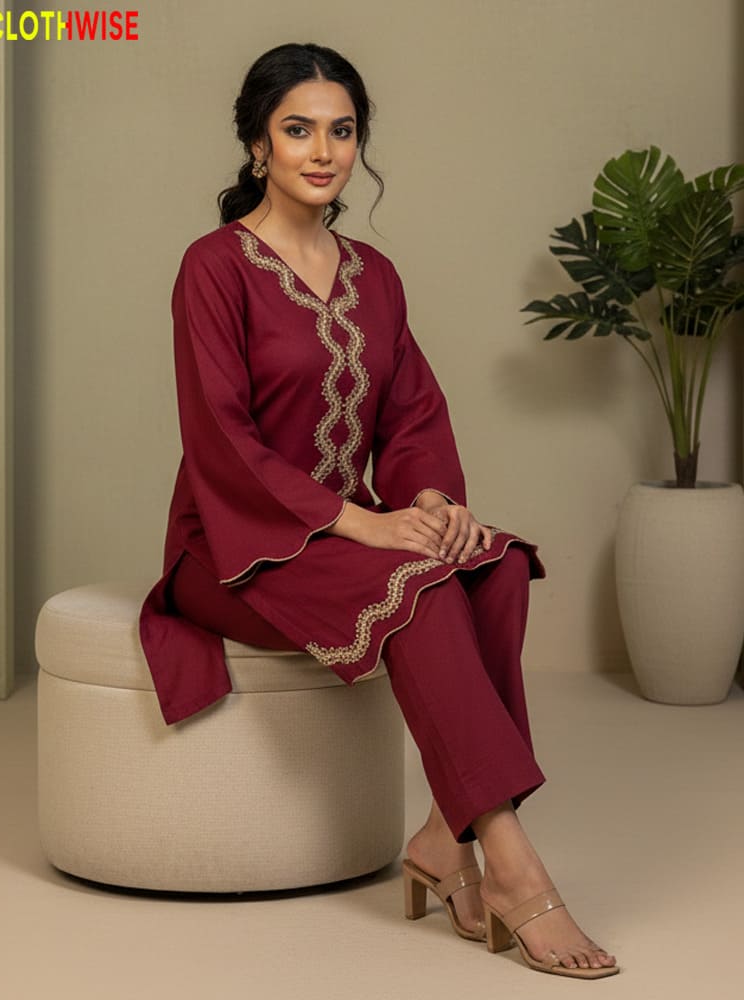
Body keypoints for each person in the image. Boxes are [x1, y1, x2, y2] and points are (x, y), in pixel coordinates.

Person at [138, 42, 619, 979]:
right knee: (419, 587)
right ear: (256, 146)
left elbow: (409, 414)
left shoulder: (376, 276)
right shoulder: (215, 268)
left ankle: (446, 833)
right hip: (232, 548)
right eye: (297, 129)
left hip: (342, 533)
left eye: (342, 130)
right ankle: (512, 865)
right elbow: (222, 441)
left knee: (494, 561)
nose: (323, 150)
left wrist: (432, 502)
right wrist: (363, 523)